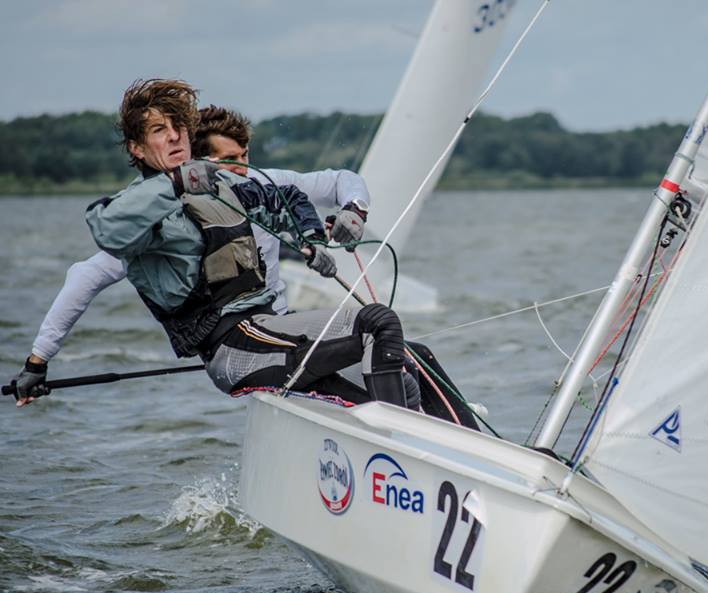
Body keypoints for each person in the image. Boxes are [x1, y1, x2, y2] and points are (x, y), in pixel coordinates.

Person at [14, 78, 414, 410]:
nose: (174, 136)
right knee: (377, 324)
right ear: (136, 148)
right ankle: (398, 448)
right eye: (159, 130)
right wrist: (37, 362)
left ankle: (440, 451)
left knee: (410, 365)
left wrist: (312, 239)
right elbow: (105, 229)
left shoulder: (226, 189)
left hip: (270, 330)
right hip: (235, 345)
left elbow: (288, 198)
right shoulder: (143, 214)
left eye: (179, 127)